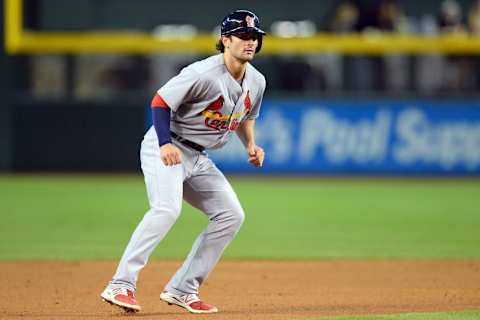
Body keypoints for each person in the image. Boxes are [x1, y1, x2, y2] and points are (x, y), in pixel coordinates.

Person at [100, 9, 267, 314]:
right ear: (225, 40)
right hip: (168, 145)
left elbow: (246, 117)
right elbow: (160, 102)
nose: (250, 42)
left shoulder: (257, 81)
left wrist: (251, 145)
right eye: (243, 36)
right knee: (166, 208)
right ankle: (121, 283)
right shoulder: (203, 73)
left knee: (231, 215)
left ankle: (183, 288)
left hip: (198, 156)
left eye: (254, 37)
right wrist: (164, 143)